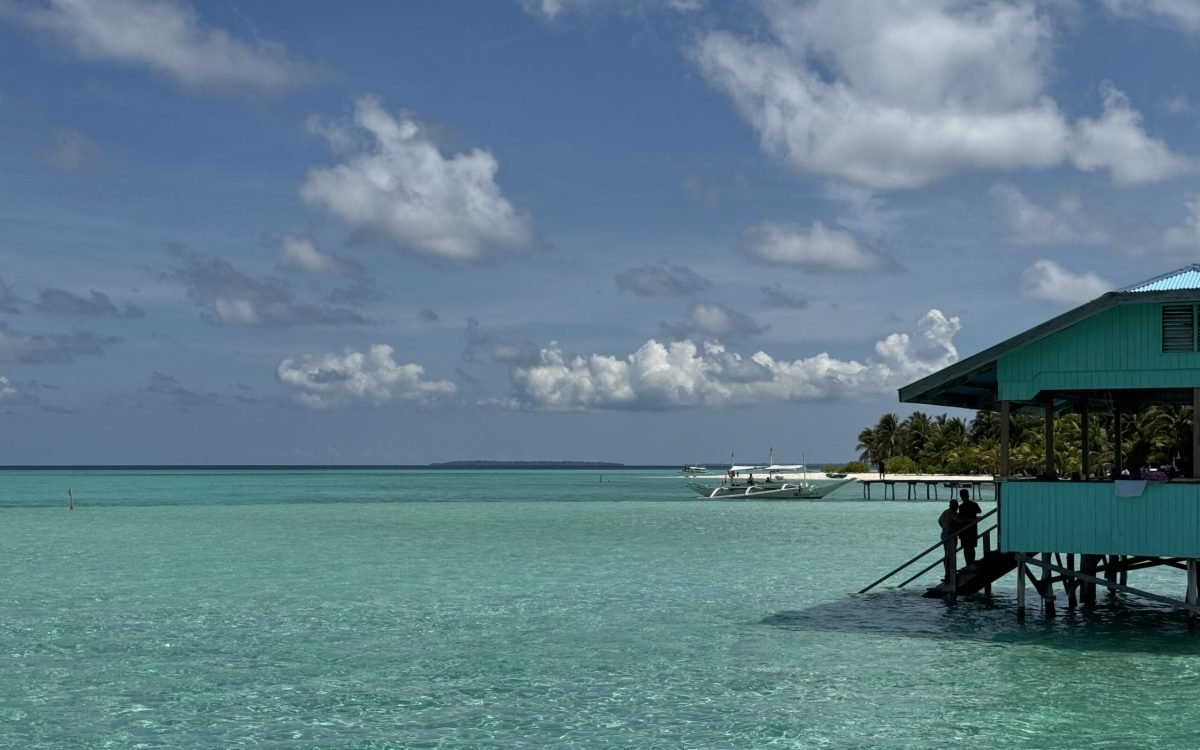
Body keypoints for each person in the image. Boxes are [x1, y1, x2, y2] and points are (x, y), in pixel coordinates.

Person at [956, 488, 982, 566]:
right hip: (972, 528)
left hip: (965, 529)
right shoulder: (974, 504)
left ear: (961, 496)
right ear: (968, 495)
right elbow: (979, 511)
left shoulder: (961, 506)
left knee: (966, 548)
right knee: (971, 547)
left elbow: (961, 518)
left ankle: (968, 563)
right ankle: (971, 562)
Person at [938, 499, 960, 581]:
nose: (957, 507)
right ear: (955, 506)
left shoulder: (945, 511)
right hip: (950, 534)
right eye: (957, 505)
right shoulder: (953, 512)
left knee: (947, 554)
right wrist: (973, 520)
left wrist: (944, 527)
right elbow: (959, 520)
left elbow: (939, 521)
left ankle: (948, 572)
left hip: (944, 533)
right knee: (950, 554)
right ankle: (949, 573)